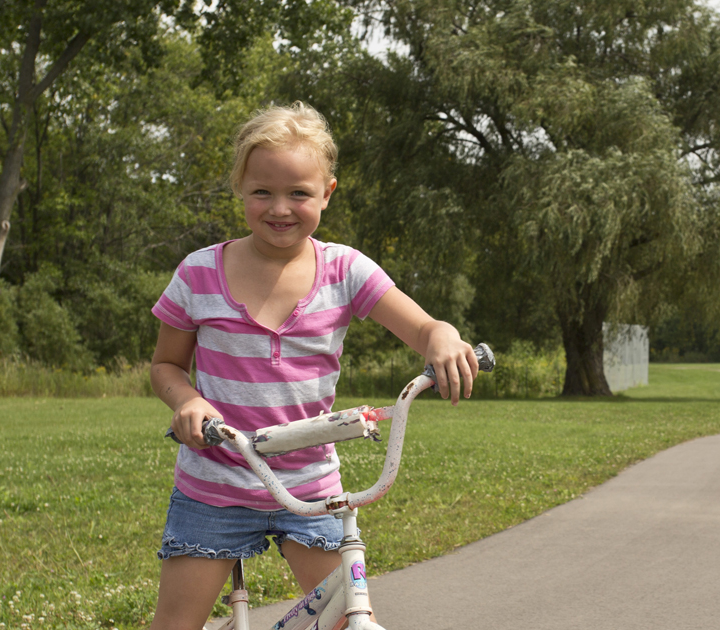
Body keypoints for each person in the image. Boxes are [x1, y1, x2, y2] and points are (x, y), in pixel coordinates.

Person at [148, 102, 478, 629]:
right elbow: (166, 365)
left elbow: (423, 327)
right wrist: (187, 400)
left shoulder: (345, 270)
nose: (280, 207)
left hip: (311, 487)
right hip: (216, 484)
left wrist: (442, 337)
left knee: (346, 616)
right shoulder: (199, 274)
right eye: (262, 192)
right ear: (241, 190)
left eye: (299, 192)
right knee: (175, 625)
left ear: (327, 192)